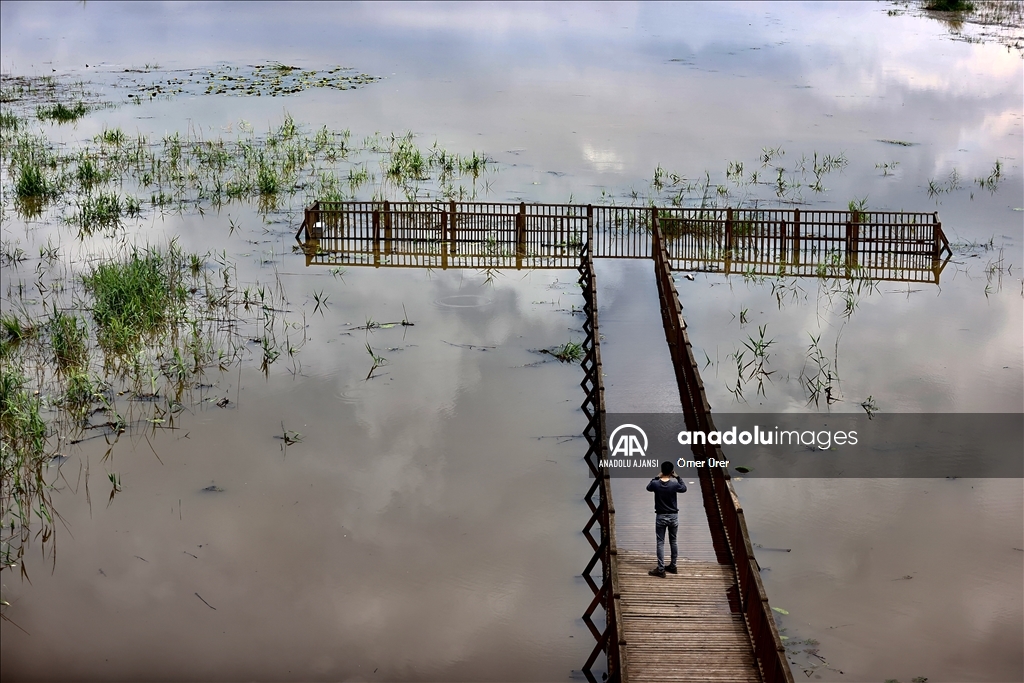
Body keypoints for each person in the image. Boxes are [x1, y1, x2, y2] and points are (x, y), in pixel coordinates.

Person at [646, 461, 687, 578]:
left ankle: (661, 569)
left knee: (660, 542)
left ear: (662, 470)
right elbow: (684, 488)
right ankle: (673, 566)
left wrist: (657, 476)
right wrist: (678, 477)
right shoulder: (674, 484)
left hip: (660, 516)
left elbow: (648, 487)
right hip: (673, 516)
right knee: (673, 541)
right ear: (671, 472)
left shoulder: (655, 484)